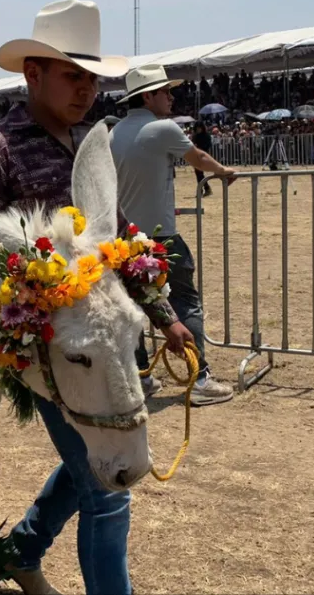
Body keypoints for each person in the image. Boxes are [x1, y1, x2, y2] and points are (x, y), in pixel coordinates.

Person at [0, 0, 188, 595]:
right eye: (72, 76)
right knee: (109, 492)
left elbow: (116, 242)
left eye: (92, 78)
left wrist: (164, 316)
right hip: (54, 353)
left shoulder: (93, 142)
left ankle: (22, 550)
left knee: (95, 453)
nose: (86, 89)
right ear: (32, 74)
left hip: (107, 337)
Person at [109, 64, 238, 405]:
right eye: (165, 91)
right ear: (148, 96)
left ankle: (141, 377)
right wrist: (223, 171)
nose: (171, 96)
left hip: (124, 240)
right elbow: (199, 157)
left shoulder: (113, 134)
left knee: (132, 306)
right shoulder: (162, 128)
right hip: (161, 236)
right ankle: (200, 378)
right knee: (184, 301)